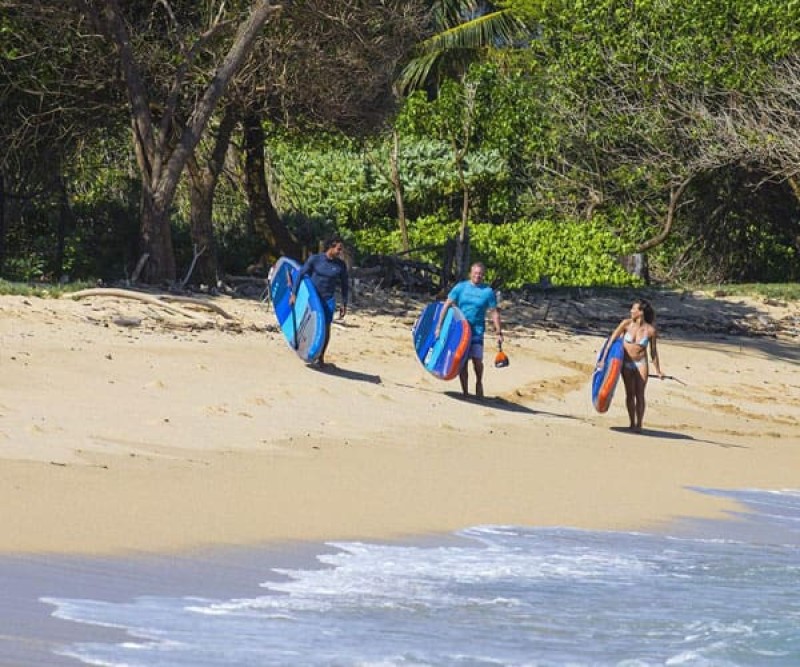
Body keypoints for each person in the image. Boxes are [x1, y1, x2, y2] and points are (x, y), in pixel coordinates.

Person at [435, 262, 503, 398]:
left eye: (480, 273)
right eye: (475, 273)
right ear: (470, 273)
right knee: (463, 362)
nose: (477, 275)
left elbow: (494, 312)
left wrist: (499, 332)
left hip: (477, 330)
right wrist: (439, 327)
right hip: (461, 330)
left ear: (483, 275)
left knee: (477, 360)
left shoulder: (487, 292)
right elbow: (446, 305)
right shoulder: (461, 287)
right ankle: (465, 392)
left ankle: (479, 382)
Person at [602, 298, 663, 432]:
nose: (631, 311)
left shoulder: (650, 330)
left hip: (641, 363)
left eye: (633, 309)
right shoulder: (626, 324)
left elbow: (653, 352)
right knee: (630, 393)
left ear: (640, 312)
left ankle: (639, 424)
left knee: (640, 394)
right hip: (626, 363)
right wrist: (603, 358)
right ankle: (631, 423)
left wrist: (658, 371)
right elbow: (612, 340)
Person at [290, 237, 349, 367]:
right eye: (339, 249)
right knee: (310, 323)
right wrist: (294, 294)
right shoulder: (315, 259)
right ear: (331, 247)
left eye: (341, 249)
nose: (340, 252)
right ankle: (303, 346)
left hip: (328, 300)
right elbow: (300, 274)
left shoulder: (340, 265)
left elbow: (345, 284)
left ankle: (321, 357)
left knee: (326, 329)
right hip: (313, 299)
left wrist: (344, 303)